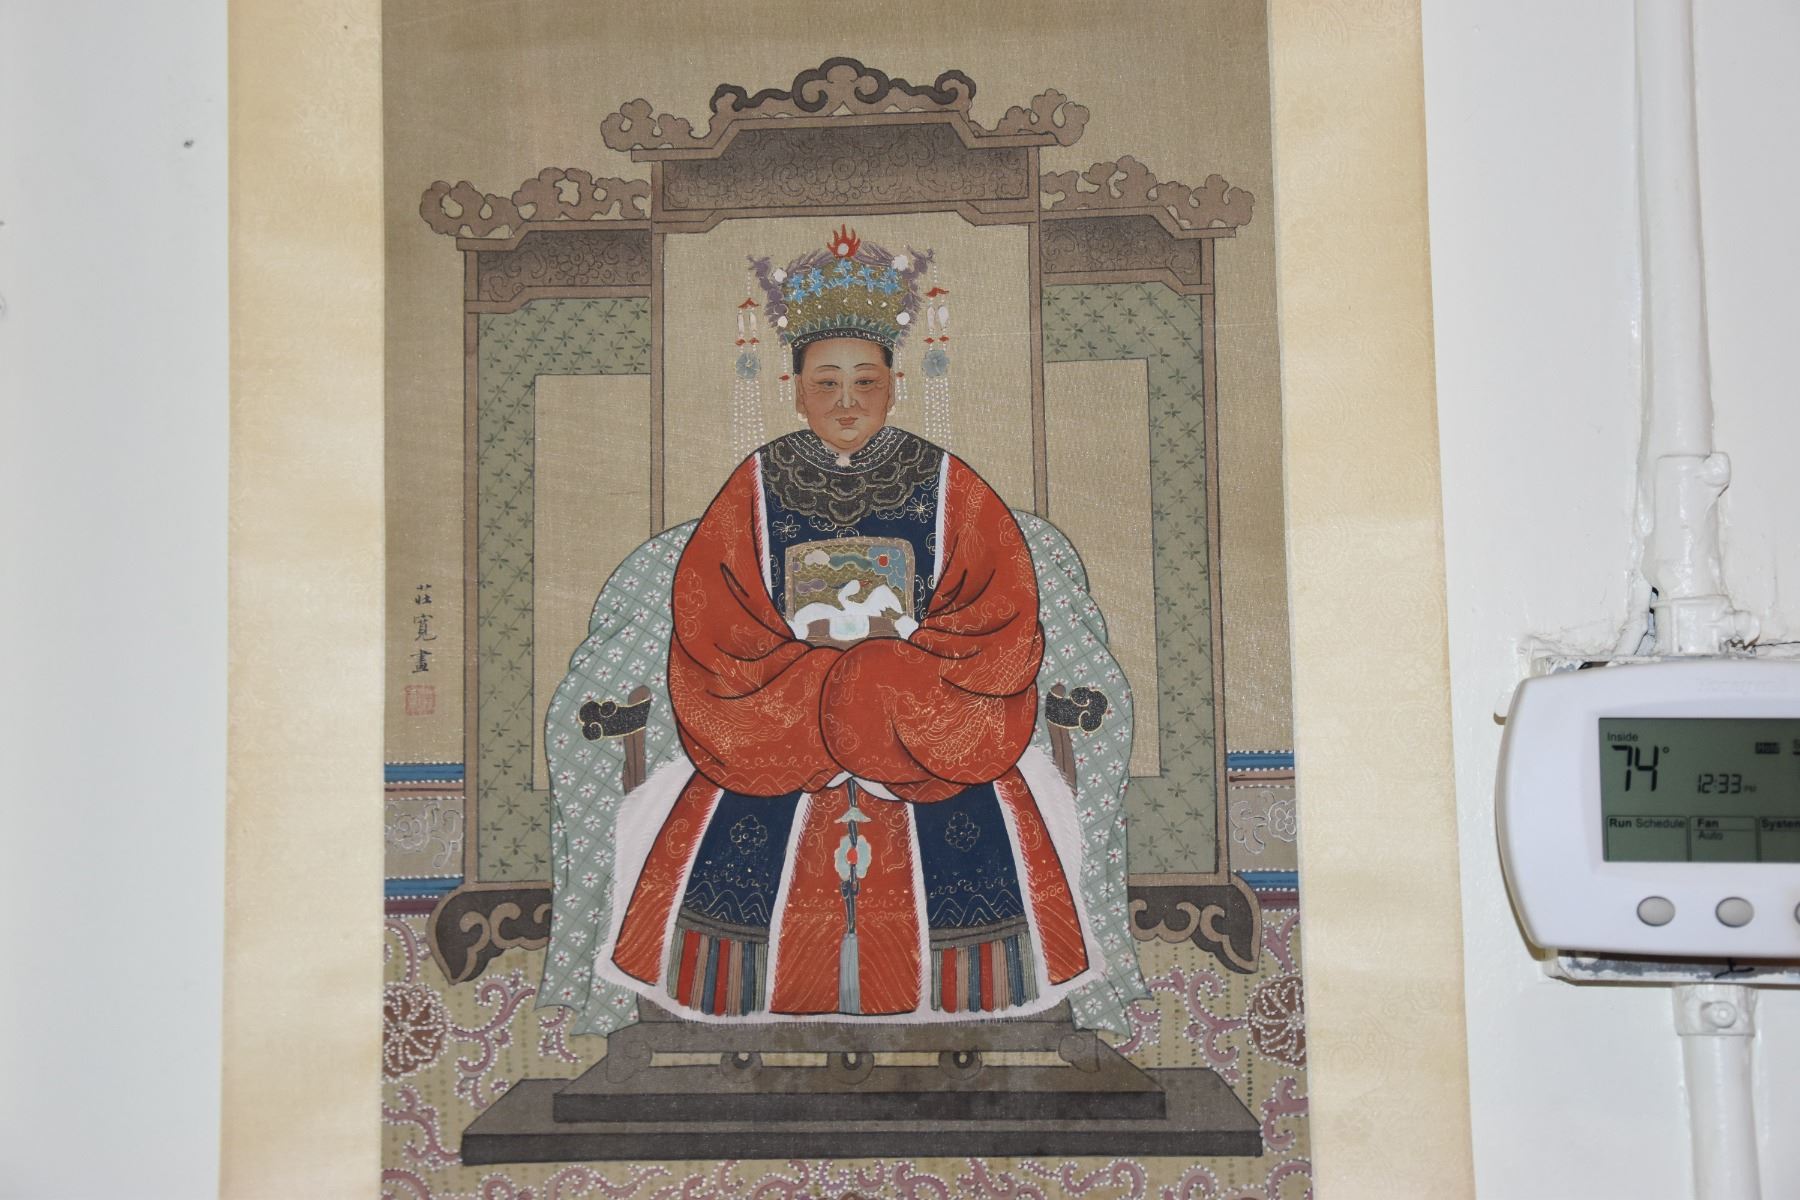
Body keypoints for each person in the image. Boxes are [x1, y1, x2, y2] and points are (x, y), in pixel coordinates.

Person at [574, 228, 1115, 1022]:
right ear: (795, 389)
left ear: (894, 385)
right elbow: (712, 622)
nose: (847, 401)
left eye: (866, 381)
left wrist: (886, 685)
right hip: (778, 721)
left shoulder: (950, 485)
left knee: (981, 849)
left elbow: (999, 618)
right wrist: (820, 684)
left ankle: (961, 1008)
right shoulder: (754, 485)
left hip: (924, 725)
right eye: (826, 382)